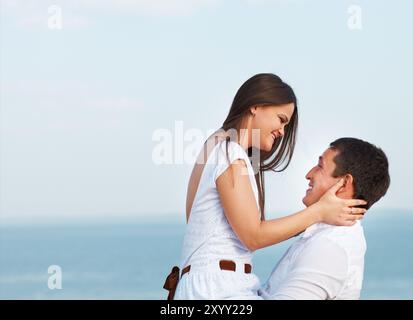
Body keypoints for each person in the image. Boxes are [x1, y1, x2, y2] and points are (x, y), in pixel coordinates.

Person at [163, 74, 366, 300]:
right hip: (218, 290)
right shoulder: (230, 154)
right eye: (281, 119)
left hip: (209, 286)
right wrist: (319, 213)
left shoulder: (217, 148)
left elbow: (195, 217)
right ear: (256, 106)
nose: (282, 131)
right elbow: (252, 236)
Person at [259, 138, 390, 300]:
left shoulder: (330, 247)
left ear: (344, 183)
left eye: (320, 166)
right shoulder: (325, 236)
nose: (309, 175)